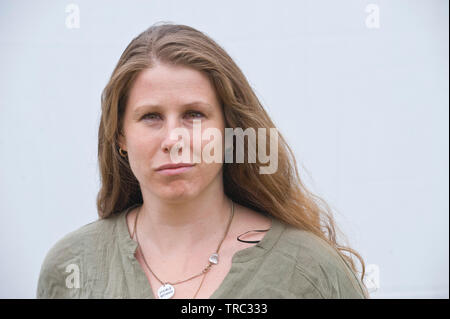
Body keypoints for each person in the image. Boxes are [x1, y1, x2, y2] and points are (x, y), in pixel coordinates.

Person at [36, 22, 369, 299]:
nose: (173, 139)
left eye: (194, 114)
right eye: (151, 116)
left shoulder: (309, 271)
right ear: (120, 136)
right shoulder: (71, 267)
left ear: (229, 129)